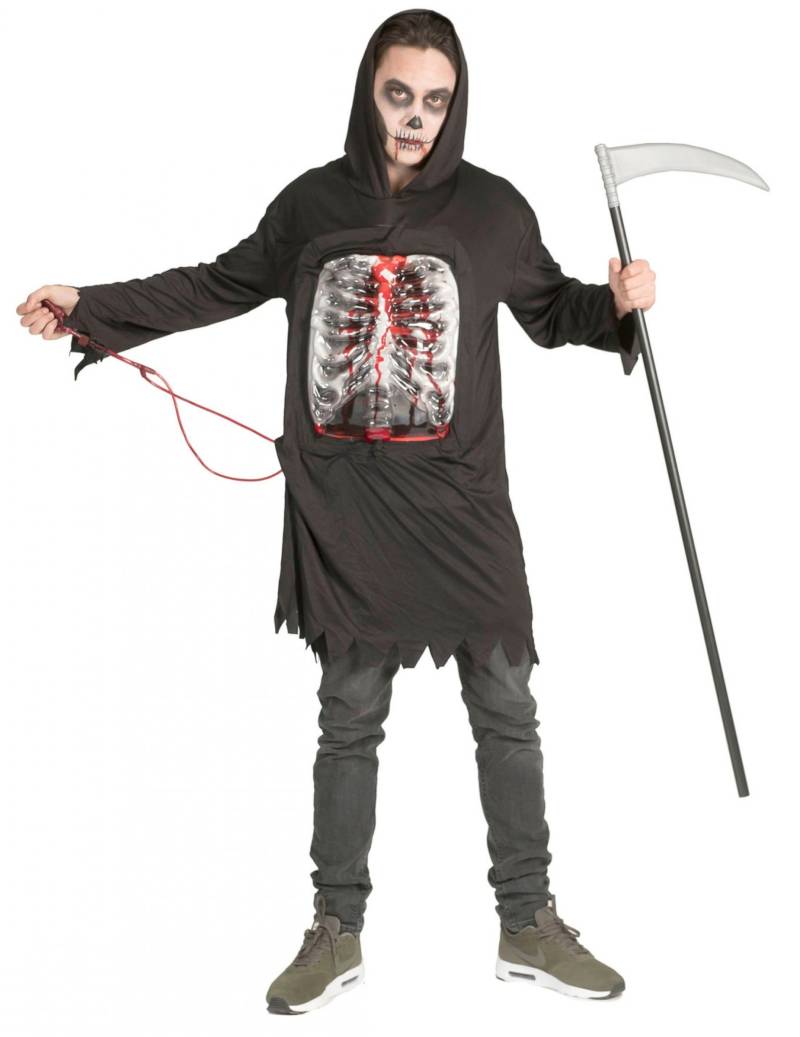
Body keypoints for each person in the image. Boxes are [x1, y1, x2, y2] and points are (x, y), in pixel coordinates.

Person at [17, 7, 655, 1015]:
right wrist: (90, 306)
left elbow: (551, 310)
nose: (415, 118)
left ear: (456, 106)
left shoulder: (492, 210)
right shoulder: (311, 204)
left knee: (506, 707)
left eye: (435, 100)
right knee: (349, 717)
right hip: (348, 509)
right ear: (369, 92)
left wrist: (616, 302)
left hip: (462, 502)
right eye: (398, 95)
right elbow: (216, 284)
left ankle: (528, 921)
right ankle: (334, 927)